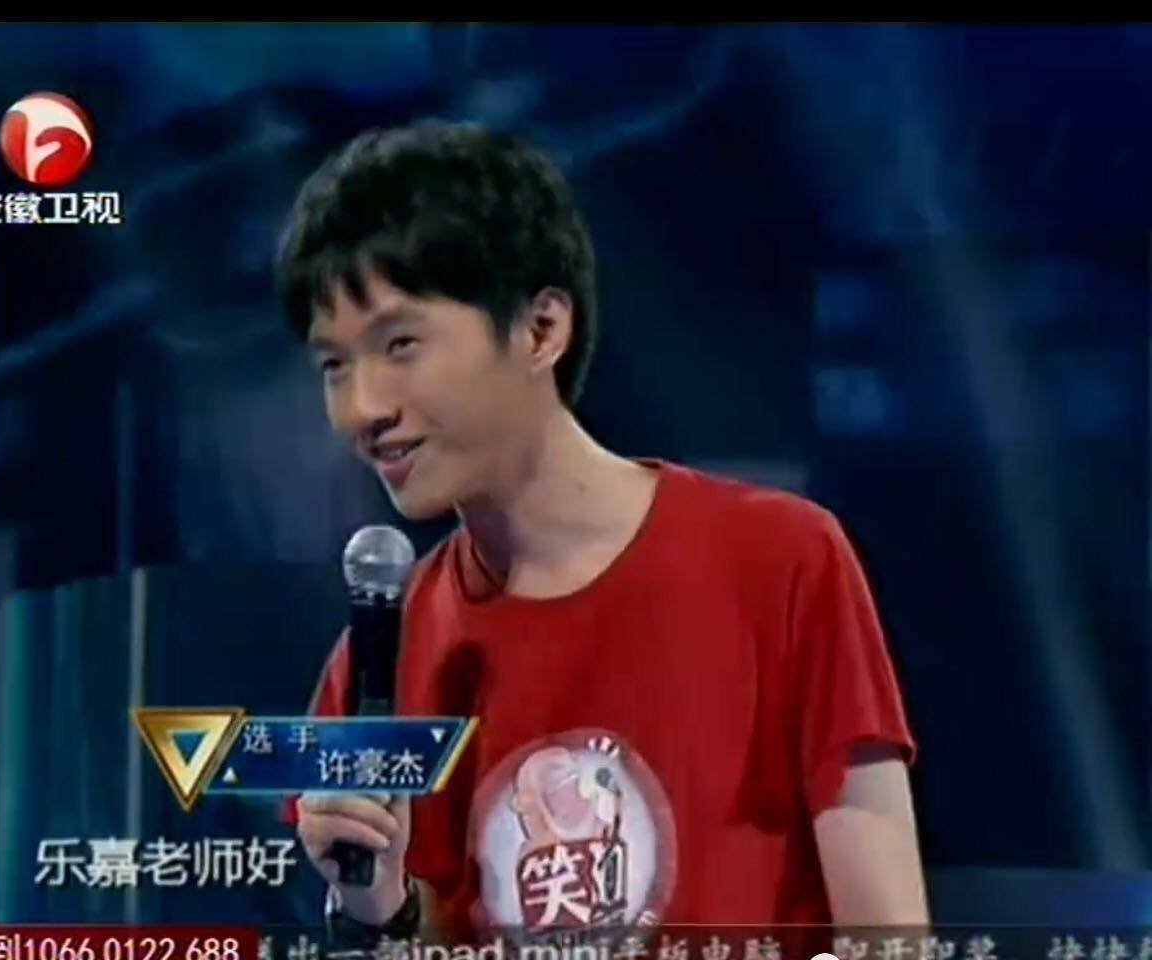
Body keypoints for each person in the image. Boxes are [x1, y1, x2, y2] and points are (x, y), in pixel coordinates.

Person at [274, 119, 928, 944]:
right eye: (334, 365)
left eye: (400, 344)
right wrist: (381, 906)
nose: (363, 408)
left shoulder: (781, 560)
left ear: (541, 329)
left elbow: (890, 933)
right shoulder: (380, 659)